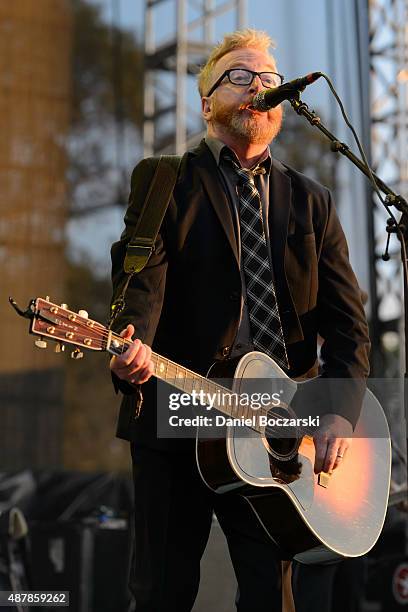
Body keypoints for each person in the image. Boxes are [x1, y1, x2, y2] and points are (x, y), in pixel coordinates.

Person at [109, 29, 370, 612]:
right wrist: (132, 345)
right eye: (241, 76)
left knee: (270, 598)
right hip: (181, 414)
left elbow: (349, 324)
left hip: (278, 430)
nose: (259, 86)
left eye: (270, 79)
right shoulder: (165, 180)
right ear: (208, 103)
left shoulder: (312, 201)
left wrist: (340, 413)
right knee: (161, 591)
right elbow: (141, 285)